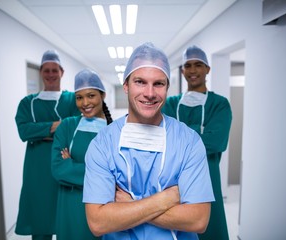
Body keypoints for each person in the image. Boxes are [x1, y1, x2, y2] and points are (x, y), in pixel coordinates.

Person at [82, 42, 215, 240]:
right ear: (126, 85)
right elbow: (98, 222)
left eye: (158, 83)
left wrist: (128, 205)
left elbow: (198, 220)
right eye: (140, 82)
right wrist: (165, 199)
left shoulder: (188, 142)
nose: (150, 93)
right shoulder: (103, 143)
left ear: (167, 87)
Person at [162, 45, 232, 240]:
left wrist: (179, 136)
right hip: (174, 178)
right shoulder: (171, 103)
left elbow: (216, 142)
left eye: (198, 65)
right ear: (182, 70)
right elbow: (162, 139)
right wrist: (197, 135)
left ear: (207, 69)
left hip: (208, 176)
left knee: (209, 226)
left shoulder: (219, 104)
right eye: (188, 65)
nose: (192, 70)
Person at [14, 50, 81, 240]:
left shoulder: (72, 99)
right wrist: (56, 126)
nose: (51, 74)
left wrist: (41, 132)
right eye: (46, 70)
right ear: (41, 72)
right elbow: (24, 131)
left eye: (54, 70)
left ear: (62, 72)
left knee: (66, 219)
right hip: (37, 171)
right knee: (39, 217)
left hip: (65, 165)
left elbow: (76, 128)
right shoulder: (28, 103)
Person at [51, 69, 113, 240]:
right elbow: (58, 169)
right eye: (79, 97)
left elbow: (117, 174)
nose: (85, 102)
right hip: (70, 207)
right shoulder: (67, 127)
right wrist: (101, 174)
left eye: (91, 95)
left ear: (103, 96)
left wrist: (72, 166)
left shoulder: (115, 131)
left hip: (105, 207)